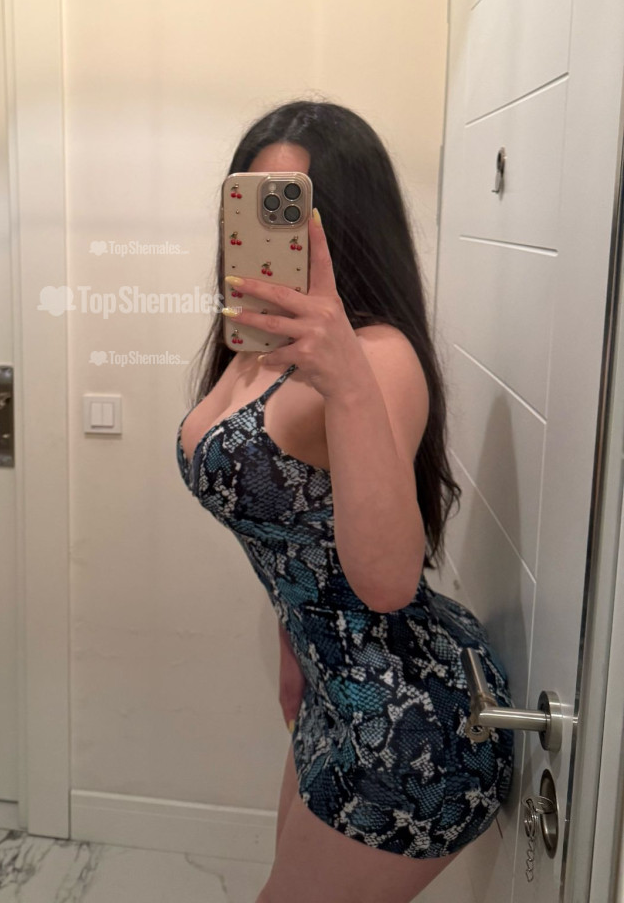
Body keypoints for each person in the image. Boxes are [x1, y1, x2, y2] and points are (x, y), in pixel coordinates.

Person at [176, 100, 514, 903]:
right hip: (334, 692)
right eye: (250, 202)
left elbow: (388, 582)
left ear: (345, 225)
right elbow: (294, 528)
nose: (268, 231)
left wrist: (346, 380)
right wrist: (293, 647)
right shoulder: (252, 345)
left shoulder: (376, 358)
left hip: (408, 720)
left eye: (291, 209)